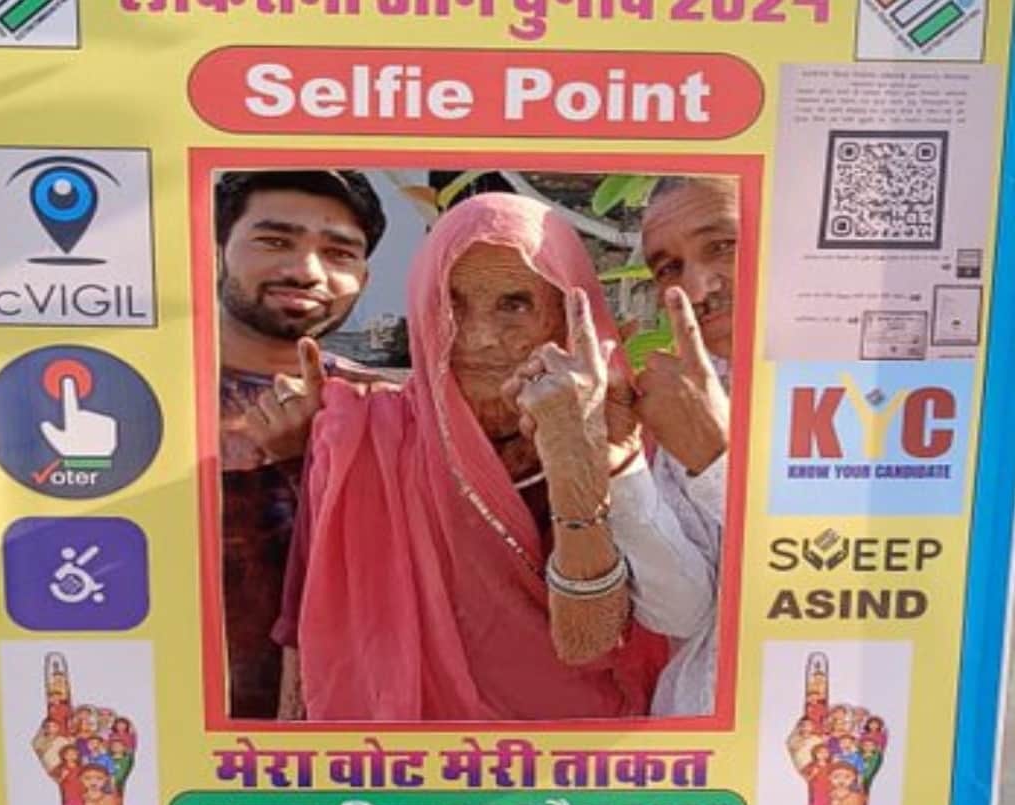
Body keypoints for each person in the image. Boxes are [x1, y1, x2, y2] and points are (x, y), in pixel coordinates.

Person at [280, 193, 664, 722]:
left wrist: (575, 460)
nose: (480, 338)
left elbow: (592, 640)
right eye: (451, 304)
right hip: (406, 763)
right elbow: (305, 632)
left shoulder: (634, 440)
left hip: (590, 759)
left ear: (565, 318)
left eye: (515, 305)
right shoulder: (359, 439)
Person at [214, 170, 387, 718]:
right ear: (215, 250)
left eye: (339, 253)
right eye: (274, 241)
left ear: (364, 276)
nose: (306, 271)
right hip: (169, 727)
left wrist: (312, 459)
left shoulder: (388, 408)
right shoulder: (139, 397)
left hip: (344, 739)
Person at [601, 176, 738, 716]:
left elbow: (859, 585)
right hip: (698, 740)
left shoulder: (884, 391)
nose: (697, 290)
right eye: (669, 269)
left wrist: (717, 463)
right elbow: (681, 613)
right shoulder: (687, 394)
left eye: (722, 246)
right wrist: (623, 467)